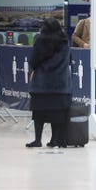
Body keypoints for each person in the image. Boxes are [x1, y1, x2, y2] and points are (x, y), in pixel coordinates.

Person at [26, 18, 72, 148]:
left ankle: (37, 140)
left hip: (42, 84)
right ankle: (55, 140)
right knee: (57, 114)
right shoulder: (64, 42)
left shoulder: (40, 40)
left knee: (39, 113)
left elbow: (34, 60)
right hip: (60, 84)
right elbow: (69, 59)